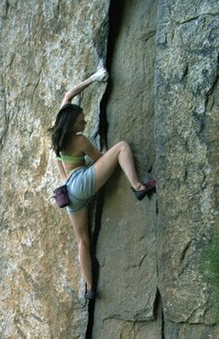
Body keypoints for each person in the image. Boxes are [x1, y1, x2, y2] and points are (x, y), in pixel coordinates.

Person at [50, 70, 156, 300]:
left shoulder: (58, 134)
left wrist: (93, 79)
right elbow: (101, 160)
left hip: (69, 193)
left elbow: (68, 95)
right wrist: (97, 77)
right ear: (72, 122)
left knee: (82, 241)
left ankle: (89, 288)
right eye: (81, 120)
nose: (84, 122)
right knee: (121, 148)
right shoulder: (79, 139)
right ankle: (138, 186)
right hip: (82, 183)